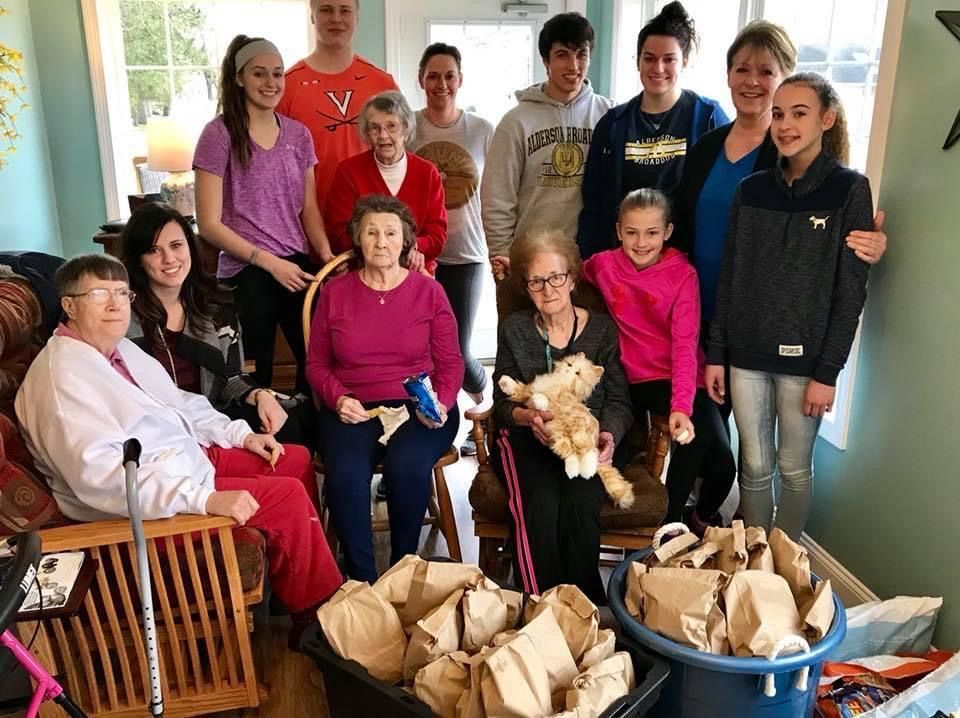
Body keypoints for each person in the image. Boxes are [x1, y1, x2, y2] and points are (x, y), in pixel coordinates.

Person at [14, 254, 341, 650]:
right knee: (287, 497)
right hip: (146, 511)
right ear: (68, 304)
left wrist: (239, 435)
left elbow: (179, 403)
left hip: (182, 463)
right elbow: (103, 480)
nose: (116, 304)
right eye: (99, 294)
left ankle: (292, 584)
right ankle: (314, 623)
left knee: (294, 458)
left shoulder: (118, 351)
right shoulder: (61, 379)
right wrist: (204, 498)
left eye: (122, 292)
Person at [672, 21, 888, 423]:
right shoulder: (705, 148)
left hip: (761, 321)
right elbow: (679, 225)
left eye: (766, 71)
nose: (752, 81)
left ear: (785, 78)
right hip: (697, 311)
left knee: (751, 443)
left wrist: (872, 242)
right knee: (702, 432)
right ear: (728, 75)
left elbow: (833, 210)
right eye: (742, 69)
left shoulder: (792, 154)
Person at [705, 73, 873, 540]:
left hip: (806, 365)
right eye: (779, 114)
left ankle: (785, 572)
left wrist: (828, 372)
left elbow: (850, 291)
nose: (785, 124)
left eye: (799, 113)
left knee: (794, 470)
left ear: (826, 119)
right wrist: (717, 353)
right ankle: (755, 569)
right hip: (745, 357)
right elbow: (731, 277)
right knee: (754, 468)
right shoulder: (751, 190)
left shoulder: (849, 191)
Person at [306, 195, 463, 582]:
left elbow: (451, 363)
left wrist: (439, 404)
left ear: (405, 240)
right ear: (357, 238)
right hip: (355, 406)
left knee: (406, 464)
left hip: (420, 404)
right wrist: (337, 398)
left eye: (390, 233)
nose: (381, 242)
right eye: (371, 232)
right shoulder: (335, 293)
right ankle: (360, 579)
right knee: (344, 472)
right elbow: (317, 365)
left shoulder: (429, 292)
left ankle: (402, 572)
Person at [491, 230, 632, 604]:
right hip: (526, 438)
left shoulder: (601, 330)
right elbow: (501, 403)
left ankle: (584, 604)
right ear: (527, 286)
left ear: (572, 278)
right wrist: (526, 416)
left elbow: (618, 399)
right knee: (541, 501)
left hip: (581, 444)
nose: (548, 289)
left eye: (556, 278)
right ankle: (540, 604)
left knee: (581, 503)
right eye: (537, 281)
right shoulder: (516, 329)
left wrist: (608, 436)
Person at [582, 189, 734, 532]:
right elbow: (564, 272)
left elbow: (685, 345)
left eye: (652, 233)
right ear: (619, 230)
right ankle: (668, 527)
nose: (641, 242)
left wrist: (681, 406)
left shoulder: (683, 275)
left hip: (680, 375)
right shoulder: (603, 264)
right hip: (633, 378)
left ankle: (691, 519)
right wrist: (515, 267)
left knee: (723, 464)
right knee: (678, 444)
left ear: (667, 232)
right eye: (632, 232)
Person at [194, 35, 332, 395]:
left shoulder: (299, 135)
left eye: (277, 74)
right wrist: (269, 263)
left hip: (295, 264)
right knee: (257, 369)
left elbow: (309, 210)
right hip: (247, 268)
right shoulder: (218, 134)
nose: (270, 83)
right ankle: (260, 442)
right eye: (259, 74)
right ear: (239, 78)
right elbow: (208, 223)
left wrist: (328, 256)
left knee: (317, 361)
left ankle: (307, 439)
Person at [122, 202, 315, 447]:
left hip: (214, 417)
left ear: (190, 248)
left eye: (176, 245)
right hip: (152, 427)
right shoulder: (122, 316)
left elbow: (232, 378)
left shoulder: (218, 307)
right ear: (138, 259)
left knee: (289, 426)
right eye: (153, 250)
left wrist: (260, 394)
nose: (169, 258)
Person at [481, 12, 614, 317]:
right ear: (546, 60)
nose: (574, 65)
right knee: (524, 358)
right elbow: (497, 196)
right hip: (529, 265)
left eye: (582, 54)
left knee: (585, 362)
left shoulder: (609, 115)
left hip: (590, 266)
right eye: (562, 55)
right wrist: (503, 255)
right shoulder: (516, 122)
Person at [577, 1, 728, 258]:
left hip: (685, 263)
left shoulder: (708, 117)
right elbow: (593, 202)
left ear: (685, 61)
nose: (658, 68)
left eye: (669, 59)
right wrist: (590, 262)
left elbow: (722, 194)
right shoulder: (614, 123)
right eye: (649, 58)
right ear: (637, 61)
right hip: (623, 267)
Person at [409, 42, 494, 452]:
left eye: (448, 76)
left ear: (459, 80)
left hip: (467, 253)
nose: (441, 84)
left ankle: (485, 404)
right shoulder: (407, 127)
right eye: (432, 76)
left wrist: (500, 246)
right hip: (418, 256)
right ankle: (437, 430)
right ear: (420, 80)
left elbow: (495, 193)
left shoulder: (481, 129)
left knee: (457, 348)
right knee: (421, 350)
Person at [277, 0, 398, 213]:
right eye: (326, 10)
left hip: (375, 225)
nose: (336, 18)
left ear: (357, 17)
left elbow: (399, 158)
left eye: (345, 10)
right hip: (307, 228)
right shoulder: (286, 87)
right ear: (312, 16)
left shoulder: (384, 84)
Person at [325, 91, 447, 275]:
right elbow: (339, 234)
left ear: (406, 129)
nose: (383, 135)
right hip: (364, 274)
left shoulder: (428, 173)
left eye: (391, 126)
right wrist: (386, 251)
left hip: (415, 275)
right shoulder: (348, 171)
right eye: (375, 128)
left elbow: (437, 237)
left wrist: (415, 246)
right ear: (367, 132)